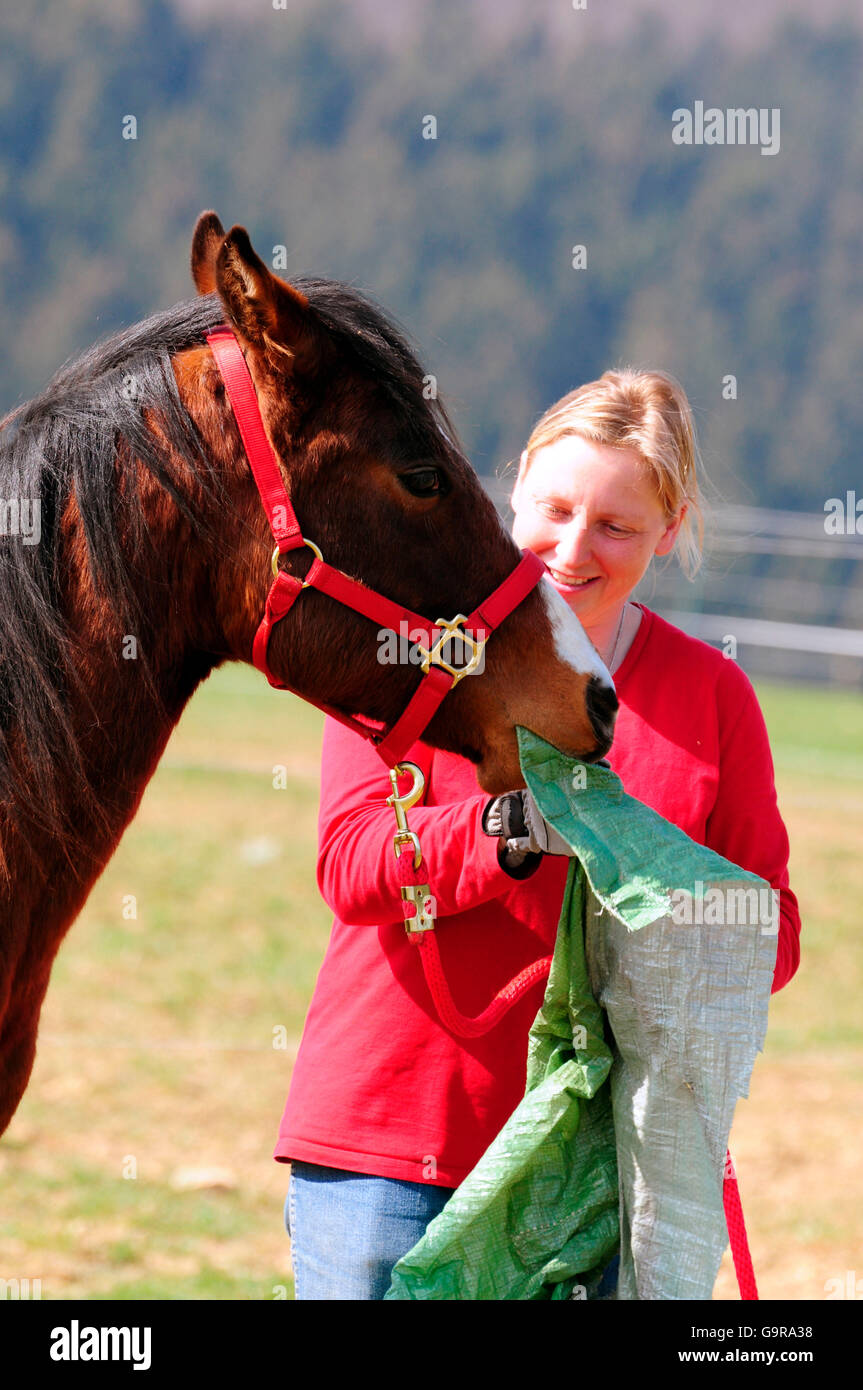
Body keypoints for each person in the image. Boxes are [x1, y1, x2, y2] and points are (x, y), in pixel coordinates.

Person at [274, 367, 801, 1300]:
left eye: (616, 525)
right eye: (553, 507)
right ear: (511, 488)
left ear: (669, 534)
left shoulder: (714, 699)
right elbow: (351, 867)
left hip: (592, 1172)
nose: (572, 546)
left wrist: (660, 887)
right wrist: (505, 832)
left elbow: (773, 935)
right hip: (392, 1146)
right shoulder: (407, 650)